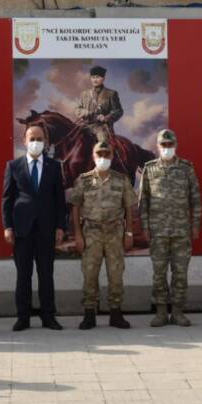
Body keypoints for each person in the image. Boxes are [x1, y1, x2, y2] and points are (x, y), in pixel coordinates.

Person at [2, 125, 67, 331]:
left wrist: (60, 226)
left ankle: (48, 316)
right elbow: (7, 199)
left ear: (46, 141)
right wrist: (7, 226)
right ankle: (23, 317)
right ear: (24, 140)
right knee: (24, 274)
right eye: (32, 138)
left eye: (40, 139)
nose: (36, 142)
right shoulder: (14, 166)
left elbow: (60, 200)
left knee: (46, 274)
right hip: (22, 229)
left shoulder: (54, 166)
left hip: (46, 229)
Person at [138, 129, 201, 327]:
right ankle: (161, 312)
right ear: (157, 146)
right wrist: (146, 227)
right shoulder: (149, 169)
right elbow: (143, 201)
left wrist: (195, 224)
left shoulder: (186, 168)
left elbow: (196, 199)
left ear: (175, 146)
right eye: (163, 145)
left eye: (170, 145)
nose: (167, 148)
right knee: (159, 273)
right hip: (158, 231)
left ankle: (178, 311)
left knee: (180, 273)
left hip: (181, 230)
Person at [70, 141, 136, 329]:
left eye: (107, 154)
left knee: (116, 275)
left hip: (115, 232)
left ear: (112, 156)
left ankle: (116, 313)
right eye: (99, 154)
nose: (103, 158)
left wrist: (129, 232)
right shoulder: (84, 180)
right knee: (90, 274)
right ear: (93, 156)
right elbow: (75, 207)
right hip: (91, 232)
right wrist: (77, 234)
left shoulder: (121, 179)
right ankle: (89, 313)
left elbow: (128, 207)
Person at [74, 65, 123, 143]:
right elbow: (77, 109)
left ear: (103, 79)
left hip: (101, 127)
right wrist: (84, 112)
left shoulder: (111, 94)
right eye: (93, 77)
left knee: (103, 143)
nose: (95, 80)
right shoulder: (84, 94)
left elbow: (118, 111)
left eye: (97, 77)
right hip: (84, 125)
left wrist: (106, 117)